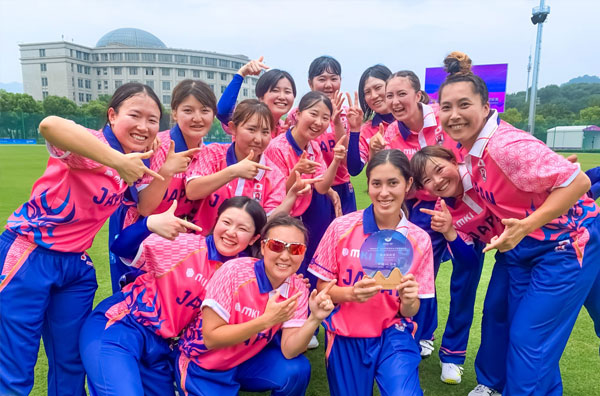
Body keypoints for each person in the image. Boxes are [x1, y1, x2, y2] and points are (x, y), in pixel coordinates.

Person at [438, 51, 600, 395]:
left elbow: (579, 183)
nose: (453, 115)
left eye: (463, 105)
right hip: (528, 247)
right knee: (519, 332)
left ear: (485, 108)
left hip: (566, 245)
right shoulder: (465, 147)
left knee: (530, 339)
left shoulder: (506, 145)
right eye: (446, 107)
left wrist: (527, 225)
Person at [0, 82, 163, 396]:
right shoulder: (93, 144)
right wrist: (116, 161)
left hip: (75, 267)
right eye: (135, 115)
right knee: (17, 364)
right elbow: (49, 125)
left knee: (70, 362)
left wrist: (159, 166)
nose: (144, 126)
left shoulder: (136, 160)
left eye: (153, 119)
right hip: (30, 255)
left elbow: (145, 205)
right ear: (112, 115)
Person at [79, 196, 267, 396]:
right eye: (226, 222)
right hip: (121, 325)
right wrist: (148, 224)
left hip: (160, 348)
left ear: (254, 238)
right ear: (217, 220)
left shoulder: (246, 275)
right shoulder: (185, 246)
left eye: (242, 229)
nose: (231, 232)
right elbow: (121, 248)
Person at [308, 149, 435, 396]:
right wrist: (351, 294)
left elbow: (410, 310)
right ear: (368, 185)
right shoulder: (341, 227)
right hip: (346, 334)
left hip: (394, 333)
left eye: (393, 183)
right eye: (376, 183)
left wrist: (409, 300)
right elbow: (322, 290)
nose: (384, 192)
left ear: (408, 184)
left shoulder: (420, 240)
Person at [175, 214, 336, 396]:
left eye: (296, 249)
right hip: (204, 363)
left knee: (296, 369)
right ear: (263, 247)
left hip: (247, 360)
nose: (285, 256)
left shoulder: (298, 287)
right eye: (276, 245)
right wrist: (266, 321)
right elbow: (211, 338)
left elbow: (289, 351)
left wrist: (314, 319)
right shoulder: (233, 272)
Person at [411, 145, 508, 392]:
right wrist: (450, 232)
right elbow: (469, 263)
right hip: (512, 248)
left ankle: (454, 356)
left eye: (440, 169)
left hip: (554, 238)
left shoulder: (481, 173)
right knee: (494, 308)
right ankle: (419, 340)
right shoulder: (449, 208)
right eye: (427, 180)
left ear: (454, 160)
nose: (437, 181)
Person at [108, 79, 212, 292]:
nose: (197, 118)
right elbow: (144, 207)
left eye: (205, 110)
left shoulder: (208, 154)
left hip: (175, 238)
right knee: (133, 300)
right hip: (136, 234)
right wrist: (167, 170)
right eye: (188, 110)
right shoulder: (155, 145)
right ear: (174, 113)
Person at [186, 99, 318, 234]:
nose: (258, 139)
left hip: (244, 251)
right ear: (233, 128)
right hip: (201, 244)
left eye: (265, 132)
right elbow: (192, 191)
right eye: (251, 129)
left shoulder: (273, 175)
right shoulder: (213, 153)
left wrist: (292, 195)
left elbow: (268, 223)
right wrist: (233, 171)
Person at [216, 56, 296, 138]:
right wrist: (241, 74)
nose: (282, 97)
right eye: (275, 90)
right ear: (261, 97)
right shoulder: (248, 118)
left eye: (287, 92)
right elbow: (223, 112)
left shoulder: (287, 129)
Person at [347, 64, 395, 176]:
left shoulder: (409, 120)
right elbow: (354, 169)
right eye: (367, 92)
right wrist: (354, 130)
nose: (373, 96)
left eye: (378, 88)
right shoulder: (367, 130)